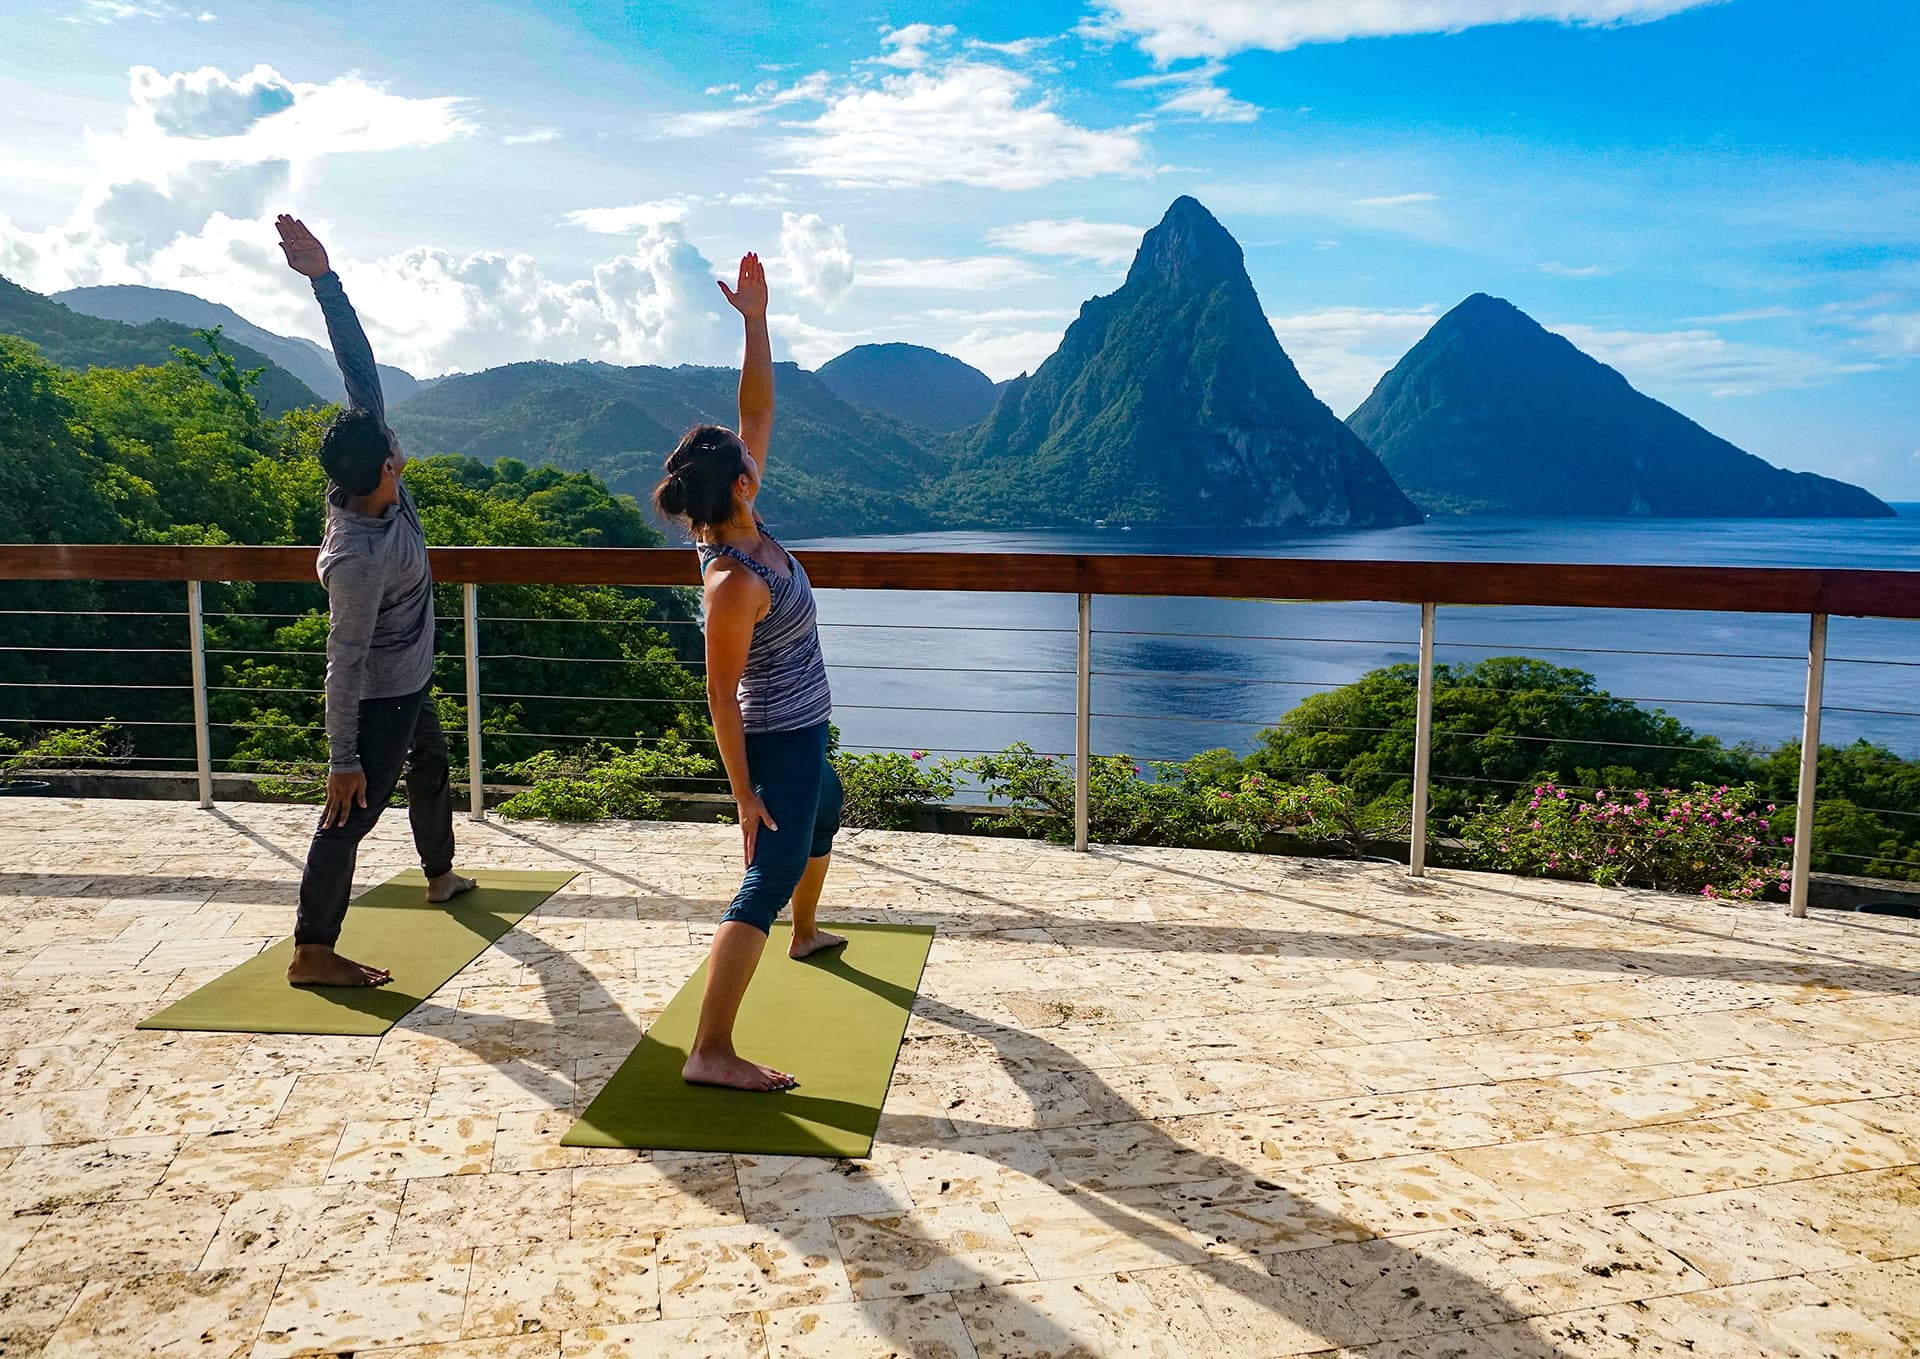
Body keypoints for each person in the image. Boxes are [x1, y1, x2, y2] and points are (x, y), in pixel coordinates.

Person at [654, 251, 844, 1092]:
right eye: (748, 457)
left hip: (804, 734)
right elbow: (718, 697)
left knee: (827, 812)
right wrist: (744, 792)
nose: (757, 453)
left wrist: (757, 324)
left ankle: (805, 934)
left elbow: (757, 408)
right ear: (736, 483)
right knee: (762, 877)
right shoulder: (732, 582)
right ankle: (710, 1047)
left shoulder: (741, 521)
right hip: (777, 741)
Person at [275, 214, 473, 988]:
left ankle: (440, 872)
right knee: (348, 818)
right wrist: (343, 761)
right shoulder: (356, 557)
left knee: (435, 762)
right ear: (388, 468)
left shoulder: (372, 492)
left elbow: (360, 373)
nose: (401, 444)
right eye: (395, 448)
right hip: (382, 695)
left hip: (411, 674)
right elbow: (343, 662)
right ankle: (312, 949)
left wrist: (325, 280)